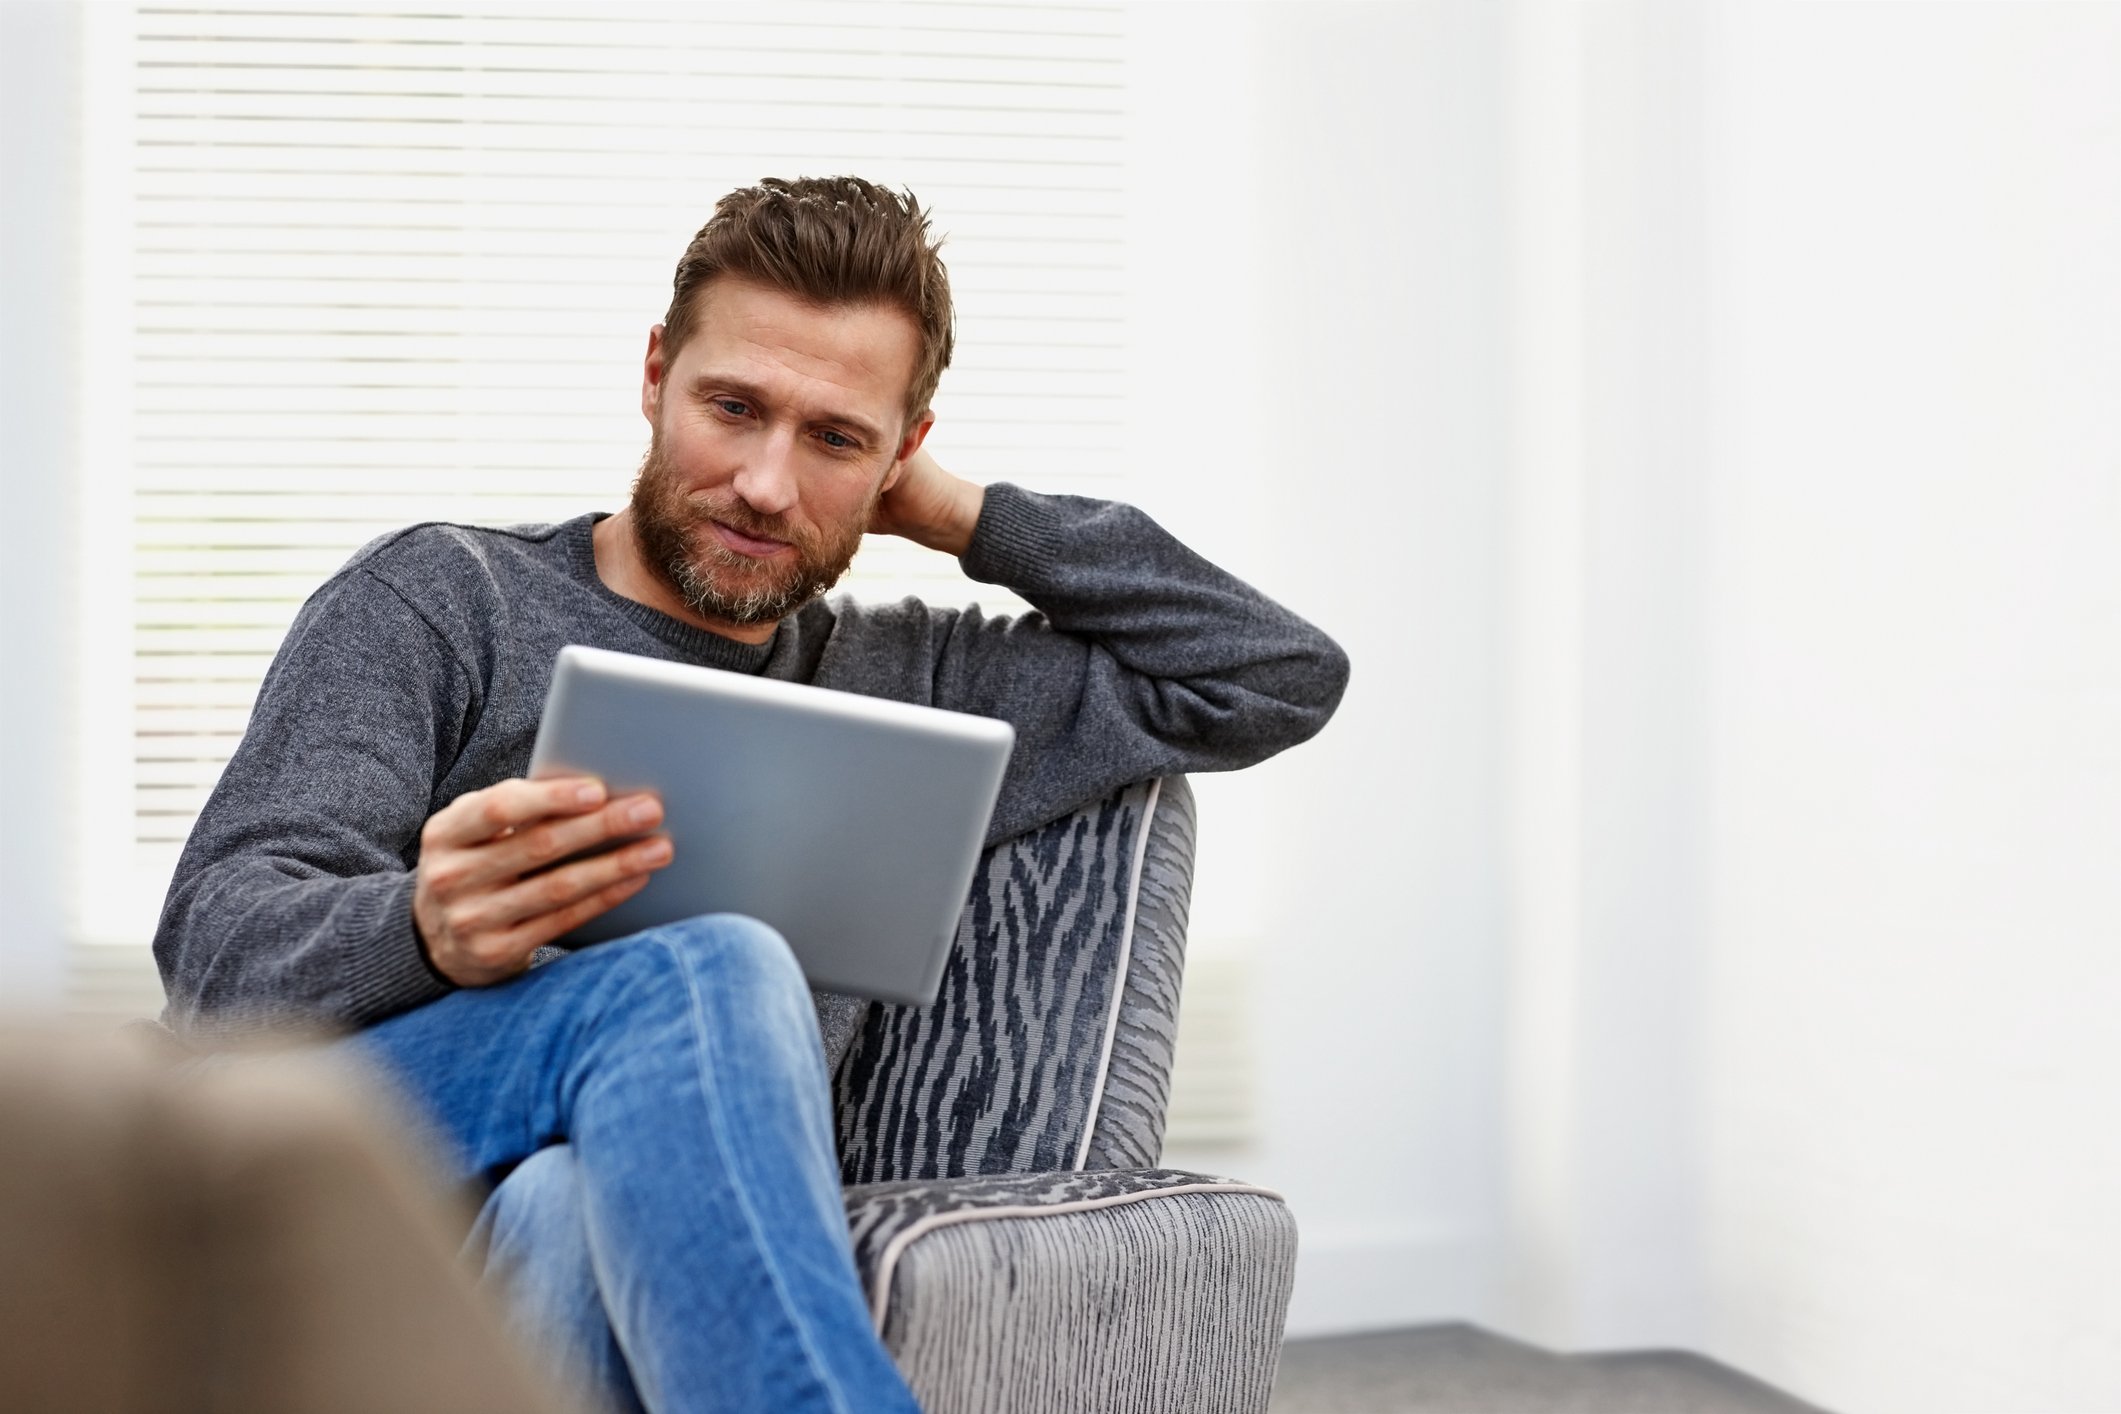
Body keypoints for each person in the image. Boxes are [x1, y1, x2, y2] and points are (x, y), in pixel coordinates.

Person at [153, 175, 1349, 1413]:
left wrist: (970, 518)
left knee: (572, 1205)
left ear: (903, 456)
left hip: (584, 1225)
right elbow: (213, 964)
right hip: (350, 1163)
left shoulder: (910, 677)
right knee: (703, 969)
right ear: (655, 374)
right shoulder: (441, 599)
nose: (768, 484)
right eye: (733, 407)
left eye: (836, 437)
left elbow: (1273, 673)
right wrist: (419, 926)